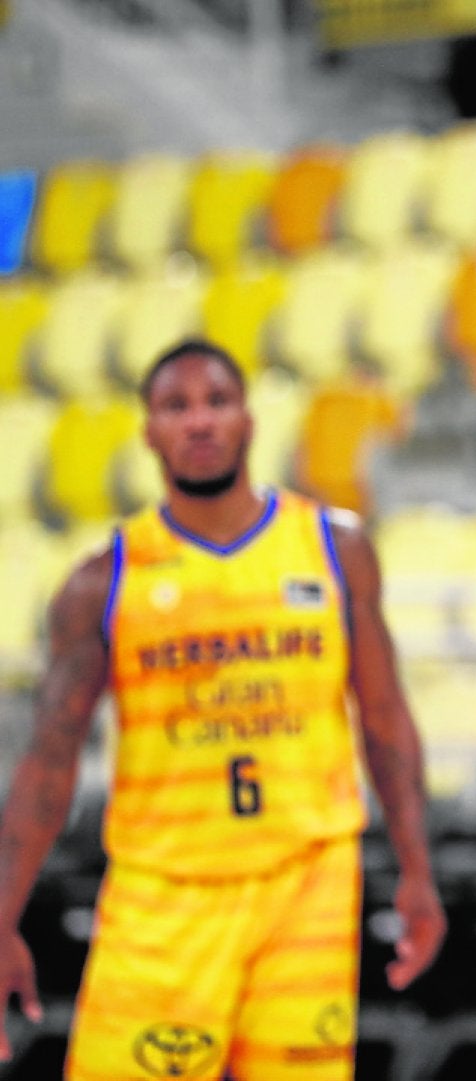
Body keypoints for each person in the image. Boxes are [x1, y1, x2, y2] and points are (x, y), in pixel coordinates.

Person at [0, 339, 445, 1078]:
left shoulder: (334, 548)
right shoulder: (103, 579)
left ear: (249, 418)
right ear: (148, 431)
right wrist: (3, 912)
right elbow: (49, 760)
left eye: (217, 400)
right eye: (176, 406)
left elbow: (385, 719)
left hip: (307, 883)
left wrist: (417, 870)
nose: (200, 420)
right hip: (164, 895)